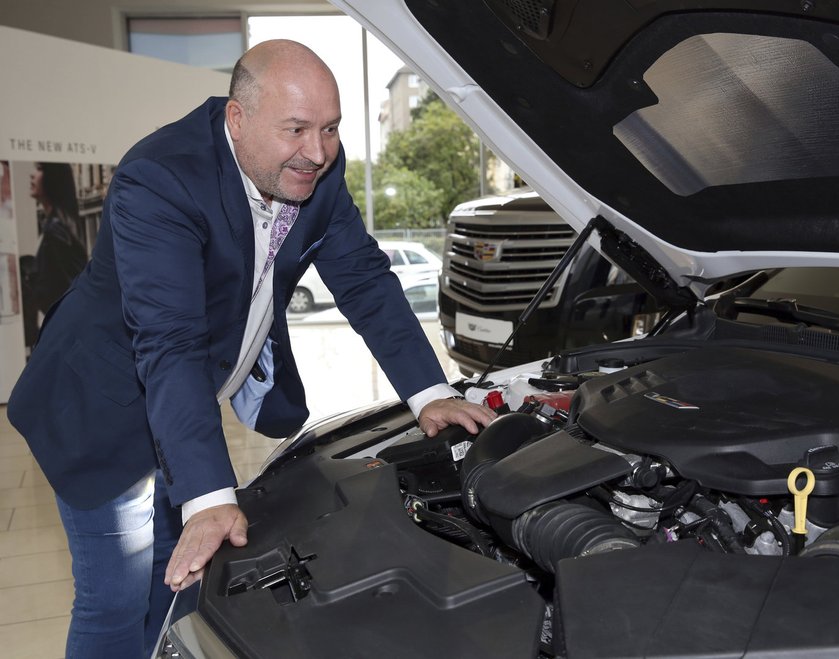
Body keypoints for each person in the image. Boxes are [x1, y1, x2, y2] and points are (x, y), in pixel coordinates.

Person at [6, 39, 495, 659]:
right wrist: (209, 497)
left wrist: (429, 395)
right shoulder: (160, 179)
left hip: (180, 403)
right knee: (115, 599)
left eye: (331, 129)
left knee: (177, 580)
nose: (316, 152)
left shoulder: (313, 170)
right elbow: (171, 339)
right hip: (102, 404)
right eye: (296, 129)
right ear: (238, 120)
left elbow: (365, 280)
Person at [20, 162, 88, 349]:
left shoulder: (56, 233)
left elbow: (71, 290)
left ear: (53, 178)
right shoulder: (54, 227)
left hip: (62, 339)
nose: (32, 175)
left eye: (40, 169)